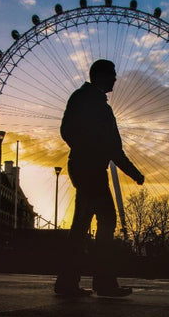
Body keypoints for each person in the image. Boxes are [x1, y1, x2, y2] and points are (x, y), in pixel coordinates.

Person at [54, 59, 144, 298]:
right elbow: (111, 146)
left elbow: (70, 132)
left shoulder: (87, 100)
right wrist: (91, 150)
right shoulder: (91, 102)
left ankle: (68, 281)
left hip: (85, 167)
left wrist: (132, 172)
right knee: (106, 220)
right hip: (90, 169)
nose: (116, 78)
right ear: (100, 75)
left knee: (82, 224)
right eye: (112, 74)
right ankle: (103, 282)